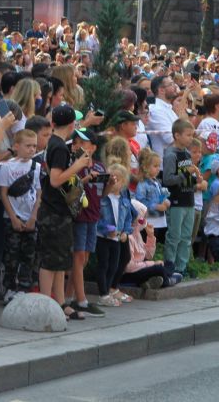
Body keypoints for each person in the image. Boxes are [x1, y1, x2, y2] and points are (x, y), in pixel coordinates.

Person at [38, 105, 89, 315]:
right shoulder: (58, 147)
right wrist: (78, 166)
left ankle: (59, 303)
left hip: (59, 211)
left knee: (61, 260)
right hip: (53, 211)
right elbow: (56, 179)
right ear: (72, 125)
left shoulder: (57, 143)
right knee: (50, 260)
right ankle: (45, 304)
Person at [66, 127, 106, 318]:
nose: (79, 146)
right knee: (78, 256)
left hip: (94, 215)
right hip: (79, 216)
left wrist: (111, 183)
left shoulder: (99, 166)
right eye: (77, 143)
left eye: (84, 143)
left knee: (85, 258)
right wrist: (85, 178)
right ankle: (82, 300)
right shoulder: (74, 164)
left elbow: (102, 193)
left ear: (94, 147)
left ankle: (69, 296)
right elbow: (70, 187)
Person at [0, 129, 41, 304]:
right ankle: (10, 287)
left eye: (34, 146)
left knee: (28, 255)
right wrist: (13, 217)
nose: (32, 149)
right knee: (11, 254)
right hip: (12, 218)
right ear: (16, 146)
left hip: (30, 218)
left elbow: (39, 194)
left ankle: (24, 286)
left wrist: (33, 217)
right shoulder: (8, 166)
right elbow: (4, 194)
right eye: (28, 146)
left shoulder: (37, 167)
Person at [161, 119, 198, 279]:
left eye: (192, 135)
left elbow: (186, 178)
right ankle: (170, 265)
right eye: (188, 135)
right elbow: (168, 179)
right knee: (174, 236)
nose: (191, 138)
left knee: (186, 237)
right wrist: (186, 173)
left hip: (188, 199)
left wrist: (195, 180)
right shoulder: (171, 154)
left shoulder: (187, 153)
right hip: (176, 201)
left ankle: (181, 267)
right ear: (177, 135)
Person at [96, 164, 134, 307]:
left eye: (116, 179)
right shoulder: (103, 198)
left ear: (123, 182)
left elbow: (128, 219)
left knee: (114, 265)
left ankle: (109, 290)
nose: (112, 182)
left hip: (117, 238)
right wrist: (106, 229)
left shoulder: (123, 200)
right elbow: (97, 218)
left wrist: (125, 232)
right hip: (103, 237)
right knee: (103, 264)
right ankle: (103, 293)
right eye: (110, 178)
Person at [147, 75, 187, 157]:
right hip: (164, 164)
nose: (175, 86)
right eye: (171, 84)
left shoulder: (167, 108)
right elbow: (170, 138)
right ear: (161, 90)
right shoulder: (156, 110)